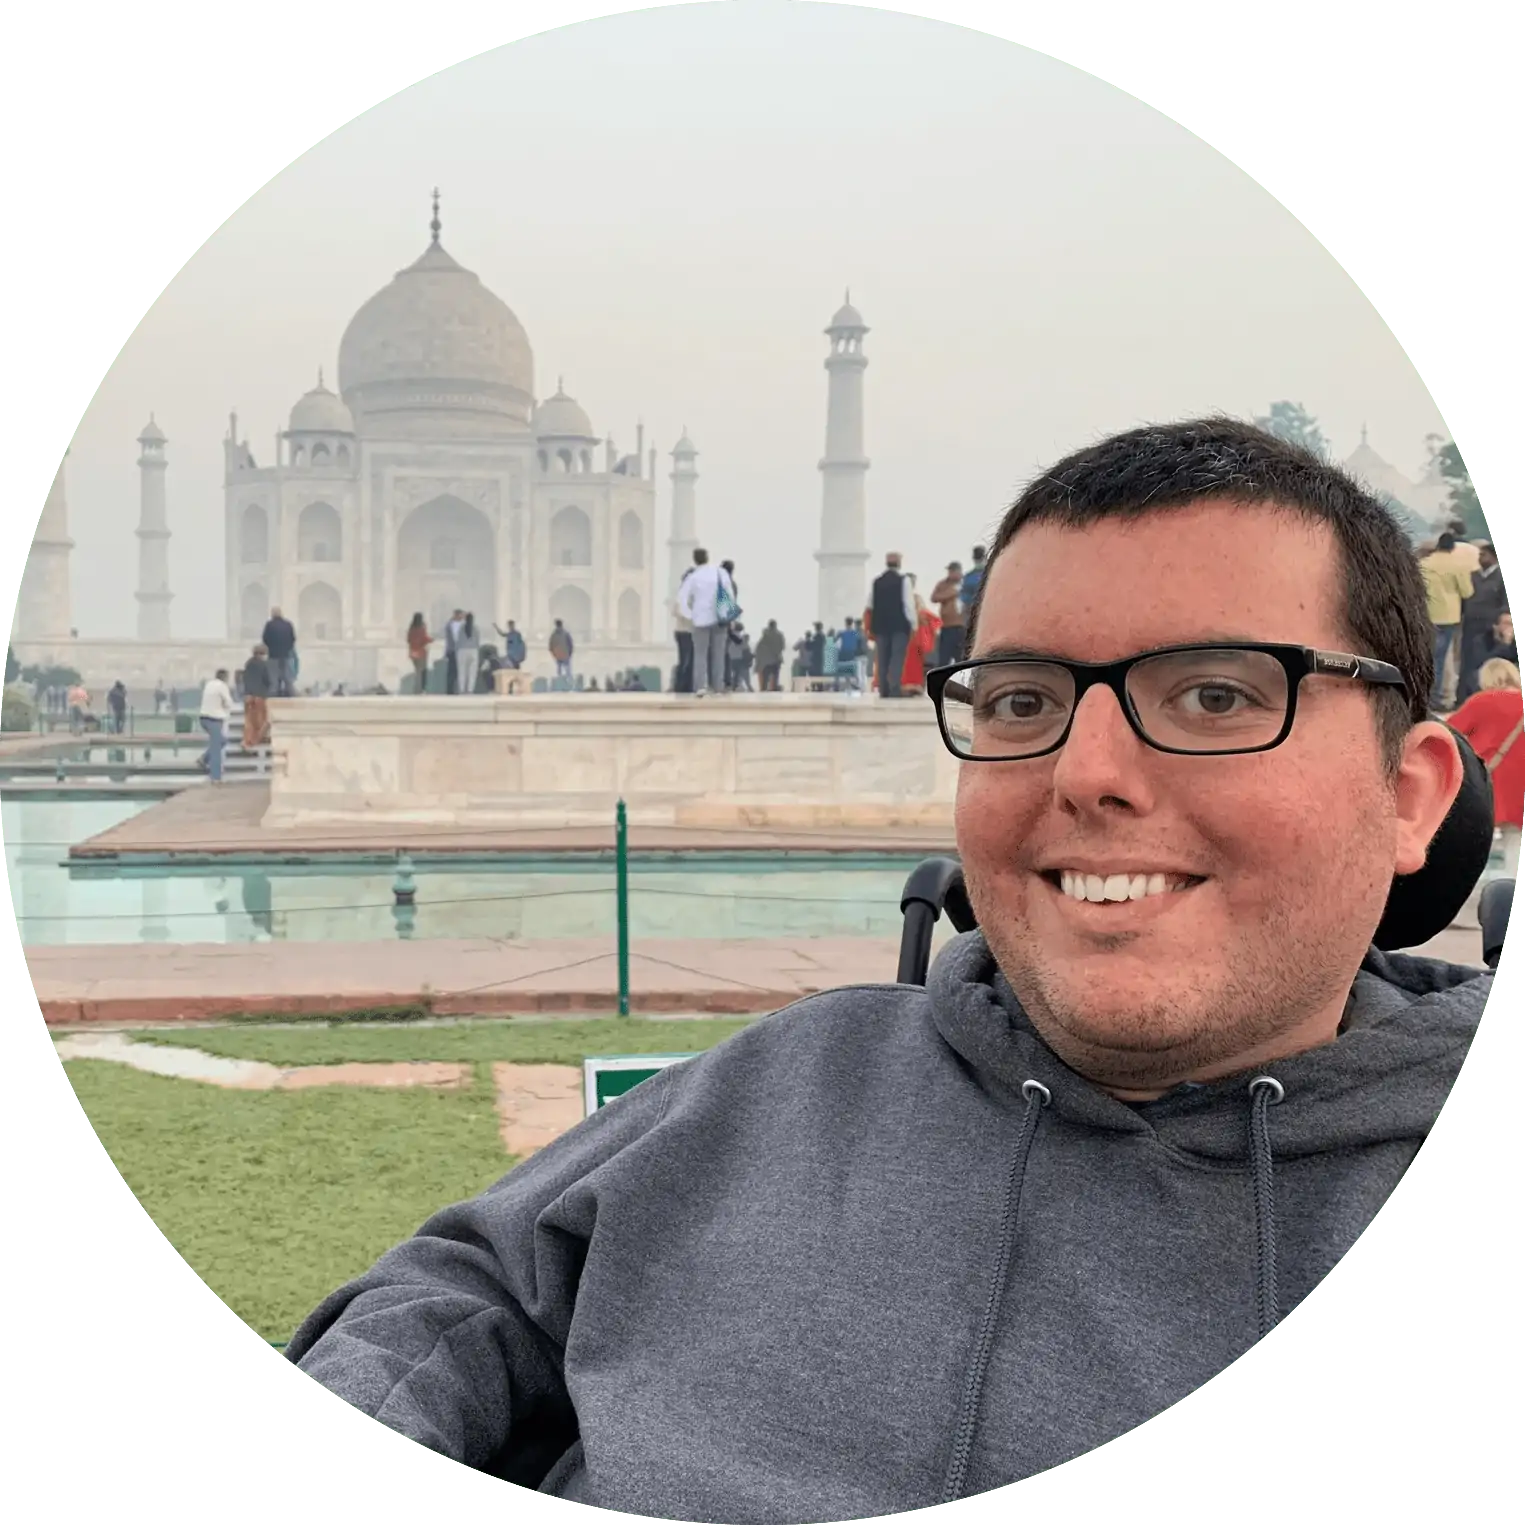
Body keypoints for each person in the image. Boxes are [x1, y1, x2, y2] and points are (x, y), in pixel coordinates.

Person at [286, 418, 1488, 1521]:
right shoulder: (799, 1075)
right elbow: (464, 1291)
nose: (1086, 772)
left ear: (1408, 796)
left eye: (1214, 695)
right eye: (1023, 700)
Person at [1445, 657, 1524, 883]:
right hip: (1520, 781)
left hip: (1491, 778)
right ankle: (1511, 887)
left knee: (1478, 832)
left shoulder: (1482, 701)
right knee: (1514, 838)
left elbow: (1450, 730)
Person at [1419, 532, 1474, 711]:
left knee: (1428, 656)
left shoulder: (1424, 564)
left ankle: (1424, 695)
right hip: (1448, 617)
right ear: (1452, 547)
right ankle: (1435, 698)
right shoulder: (1456, 565)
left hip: (1427, 615)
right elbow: (1467, 592)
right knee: (1440, 658)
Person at [676, 548, 735, 698]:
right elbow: (730, 594)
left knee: (700, 654)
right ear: (707, 557)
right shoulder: (720, 573)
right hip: (719, 618)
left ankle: (700, 686)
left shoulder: (693, 577)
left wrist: (690, 616)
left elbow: (682, 599)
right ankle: (718, 686)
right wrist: (730, 615)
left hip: (700, 620)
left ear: (695, 560)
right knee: (718, 654)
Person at [1456, 543, 1508, 703]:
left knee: (1486, 663)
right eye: (1479, 555)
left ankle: (1485, 698)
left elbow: (1506, 603)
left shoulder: (1502, 577)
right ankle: (1463, 698)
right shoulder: (1473, 576)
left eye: (1483, 555)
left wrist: (1501, 623)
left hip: (1490, 627)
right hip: (1470, 624)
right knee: (1467, 661)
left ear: (1494, 557)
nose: (1480, 558)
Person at [867, 551, 916, 698]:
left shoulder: (877, 582)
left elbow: (870, 605)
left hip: (881, 626)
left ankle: (884, 690)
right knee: (897, 658)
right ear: (899, 563)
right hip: (899, 625)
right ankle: (894, 689)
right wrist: (914, 624)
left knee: (882, 658)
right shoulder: (904, 581)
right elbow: (908, 604)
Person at [900, 581, 942, 695]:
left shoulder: (923, 613)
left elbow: (937, 622)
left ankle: (914, 685)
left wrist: (928, 627)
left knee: (916, 665)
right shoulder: (914, 612)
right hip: (912, 643)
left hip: (918, 643)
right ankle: (911, 685)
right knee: (911, 665)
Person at [198, 668, 234, 784]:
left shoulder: (209, 684)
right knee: (216, 748)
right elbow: (229, 703)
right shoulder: (222, 686)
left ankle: (204, 759)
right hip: (214, 718)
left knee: (221, 741)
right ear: (225, 678)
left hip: (203, 717)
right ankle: (215, 777)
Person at [931, 561, 966, 667]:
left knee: (961, 659)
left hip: (962, 626)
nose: (950, 574)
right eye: (949, 571)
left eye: (952, 571)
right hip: (947, 626)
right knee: (943, 659)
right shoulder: (943, 584)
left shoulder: (965, 584)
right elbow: (934, 598)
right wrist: (951, 593)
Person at [261, 606, 297, 698]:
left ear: (272, 614)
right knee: (288, 680)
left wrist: (271, 647)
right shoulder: (288, 624)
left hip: (273, 655)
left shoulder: (269, 625)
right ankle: (292, 698)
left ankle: (273, 700)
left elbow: (265, 639)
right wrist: (287, 648)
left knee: (274, 681)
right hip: (286, 655)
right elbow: (293, 639)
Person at [241, 645, 272, 749]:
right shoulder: (264, 665)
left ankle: (247, 741)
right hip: (260, 696)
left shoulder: (248, 664)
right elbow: (268, 680)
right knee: (261, 720)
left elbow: (244, 678)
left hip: (248, 696)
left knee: (249, 720)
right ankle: (255, 741)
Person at [672, 569, 696, 693]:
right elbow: (677, 612)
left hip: (691, 631)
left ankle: (689, 686)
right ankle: (680, 686)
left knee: (691, 660)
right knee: (685, 660)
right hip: (683, 631)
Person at [753, 619, 785, 693]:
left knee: (765, 679)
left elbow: (759, 649)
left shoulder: (764, 636)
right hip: (776, 659)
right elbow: (782, 647)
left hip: (765, 662)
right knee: (775, 677)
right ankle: (774, 690)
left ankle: (764, 690)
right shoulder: (779, 635)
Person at [406, 614, 433, 694]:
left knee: (417, 671)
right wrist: (431, 639)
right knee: (421, 671)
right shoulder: (422, 628)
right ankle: (420, 689)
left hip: (413, 652)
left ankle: (416, 688)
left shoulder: (411, 629)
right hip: (421, 652)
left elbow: (408, 640)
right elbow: (424, 638)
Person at [455, 614, 481, 696]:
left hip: (462, 650)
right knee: (472, 672)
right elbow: (478, 641)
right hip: (473, 651)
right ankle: (470, 690)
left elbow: (458, 640)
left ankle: (462, 689)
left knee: (462, 671)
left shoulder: (461, 628)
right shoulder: (476, 629)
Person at [959, 543, 987, 613]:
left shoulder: (991, 574)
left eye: (980, 559)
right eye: (977, 559)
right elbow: (964, 596)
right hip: (972, 611)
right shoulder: (968, 577)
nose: (979, 561)